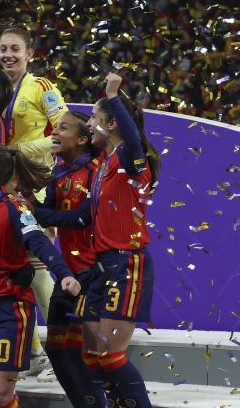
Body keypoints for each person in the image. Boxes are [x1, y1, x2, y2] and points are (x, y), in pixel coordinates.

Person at [36, 73, 160, 407]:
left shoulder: (133, 160)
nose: (88, 124)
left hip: (127, 262)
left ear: (112, 123)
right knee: (91, 357)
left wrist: (113, 95)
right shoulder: (103, 165)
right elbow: (80, 218)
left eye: (93, 117)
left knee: (109, 356)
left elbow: (134, 140)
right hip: (101, 267)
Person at [0, 143, 80, 408]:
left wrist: (64, 274)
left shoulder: (13, 207)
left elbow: (39, 242)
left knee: (0, 393)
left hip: (7, 311)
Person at [0, 25, 68, 377]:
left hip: (35, 189)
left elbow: (63, 136)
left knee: (39, 269)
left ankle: (62, 349)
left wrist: (16, 150)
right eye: (3, 49)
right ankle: (38, 352)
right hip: (5, 188)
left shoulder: (41, 88)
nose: (8, 55)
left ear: (30, 54)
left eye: (15, 49)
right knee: (17, 270)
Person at [32, 110, 106, 407]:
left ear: (82, 139)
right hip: (69, 275)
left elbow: (80, 219)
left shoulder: (95, 171)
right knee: (55, 348)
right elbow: (46, 213)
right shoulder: (58, 172)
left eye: (63, 128)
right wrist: (27, 200)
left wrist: (35, 211)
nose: (55, 132)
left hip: (92, 274)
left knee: (87, 353)